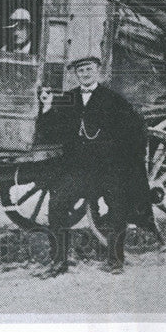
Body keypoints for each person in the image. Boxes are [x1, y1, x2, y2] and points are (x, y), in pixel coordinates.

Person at [36, 56, 154, 276]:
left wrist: (123, 160)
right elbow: (51, 131)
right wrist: (47, 107)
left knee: (118, 203)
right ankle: (59, 261)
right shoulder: (68, 98)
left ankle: (115, 259)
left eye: (89, 69)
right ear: (76, 74)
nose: (85, 74)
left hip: (107, 169)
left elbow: (136, 130)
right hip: (78, 170)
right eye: (80, 71)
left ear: (98, 71)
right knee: (57, 203)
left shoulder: (113, 99)